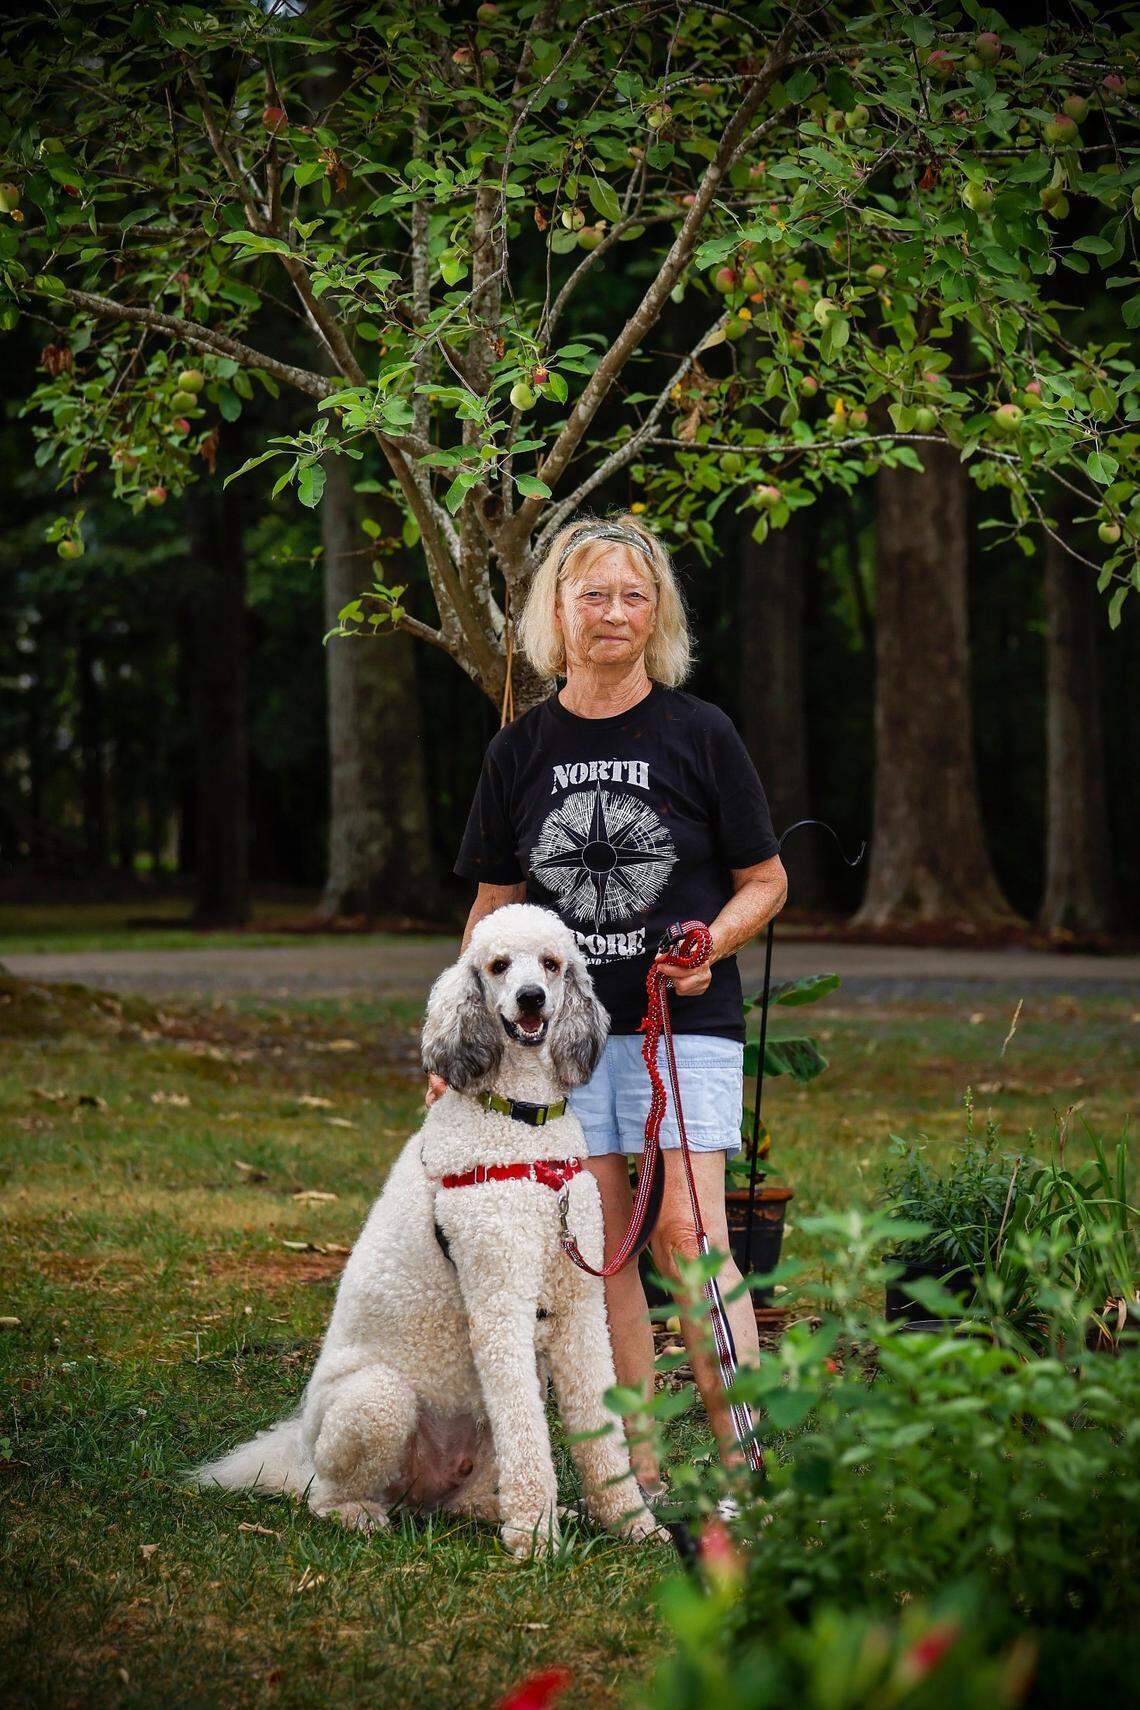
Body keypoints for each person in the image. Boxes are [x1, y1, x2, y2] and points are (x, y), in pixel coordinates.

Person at [426, 511, 788, 1499]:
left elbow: (766, 879)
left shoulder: (700, 733)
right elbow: (494, 909)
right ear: (558, 609)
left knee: (689, 1238)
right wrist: (463, 1036)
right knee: (596, 1248)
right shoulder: (520, 752)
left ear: (656, 612)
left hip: (684, 1026)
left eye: (634, 594)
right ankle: (637, 1480)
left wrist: (710, 943)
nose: (615, 612)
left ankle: (746, 1466)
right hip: (559, 1045)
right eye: (594, 593)